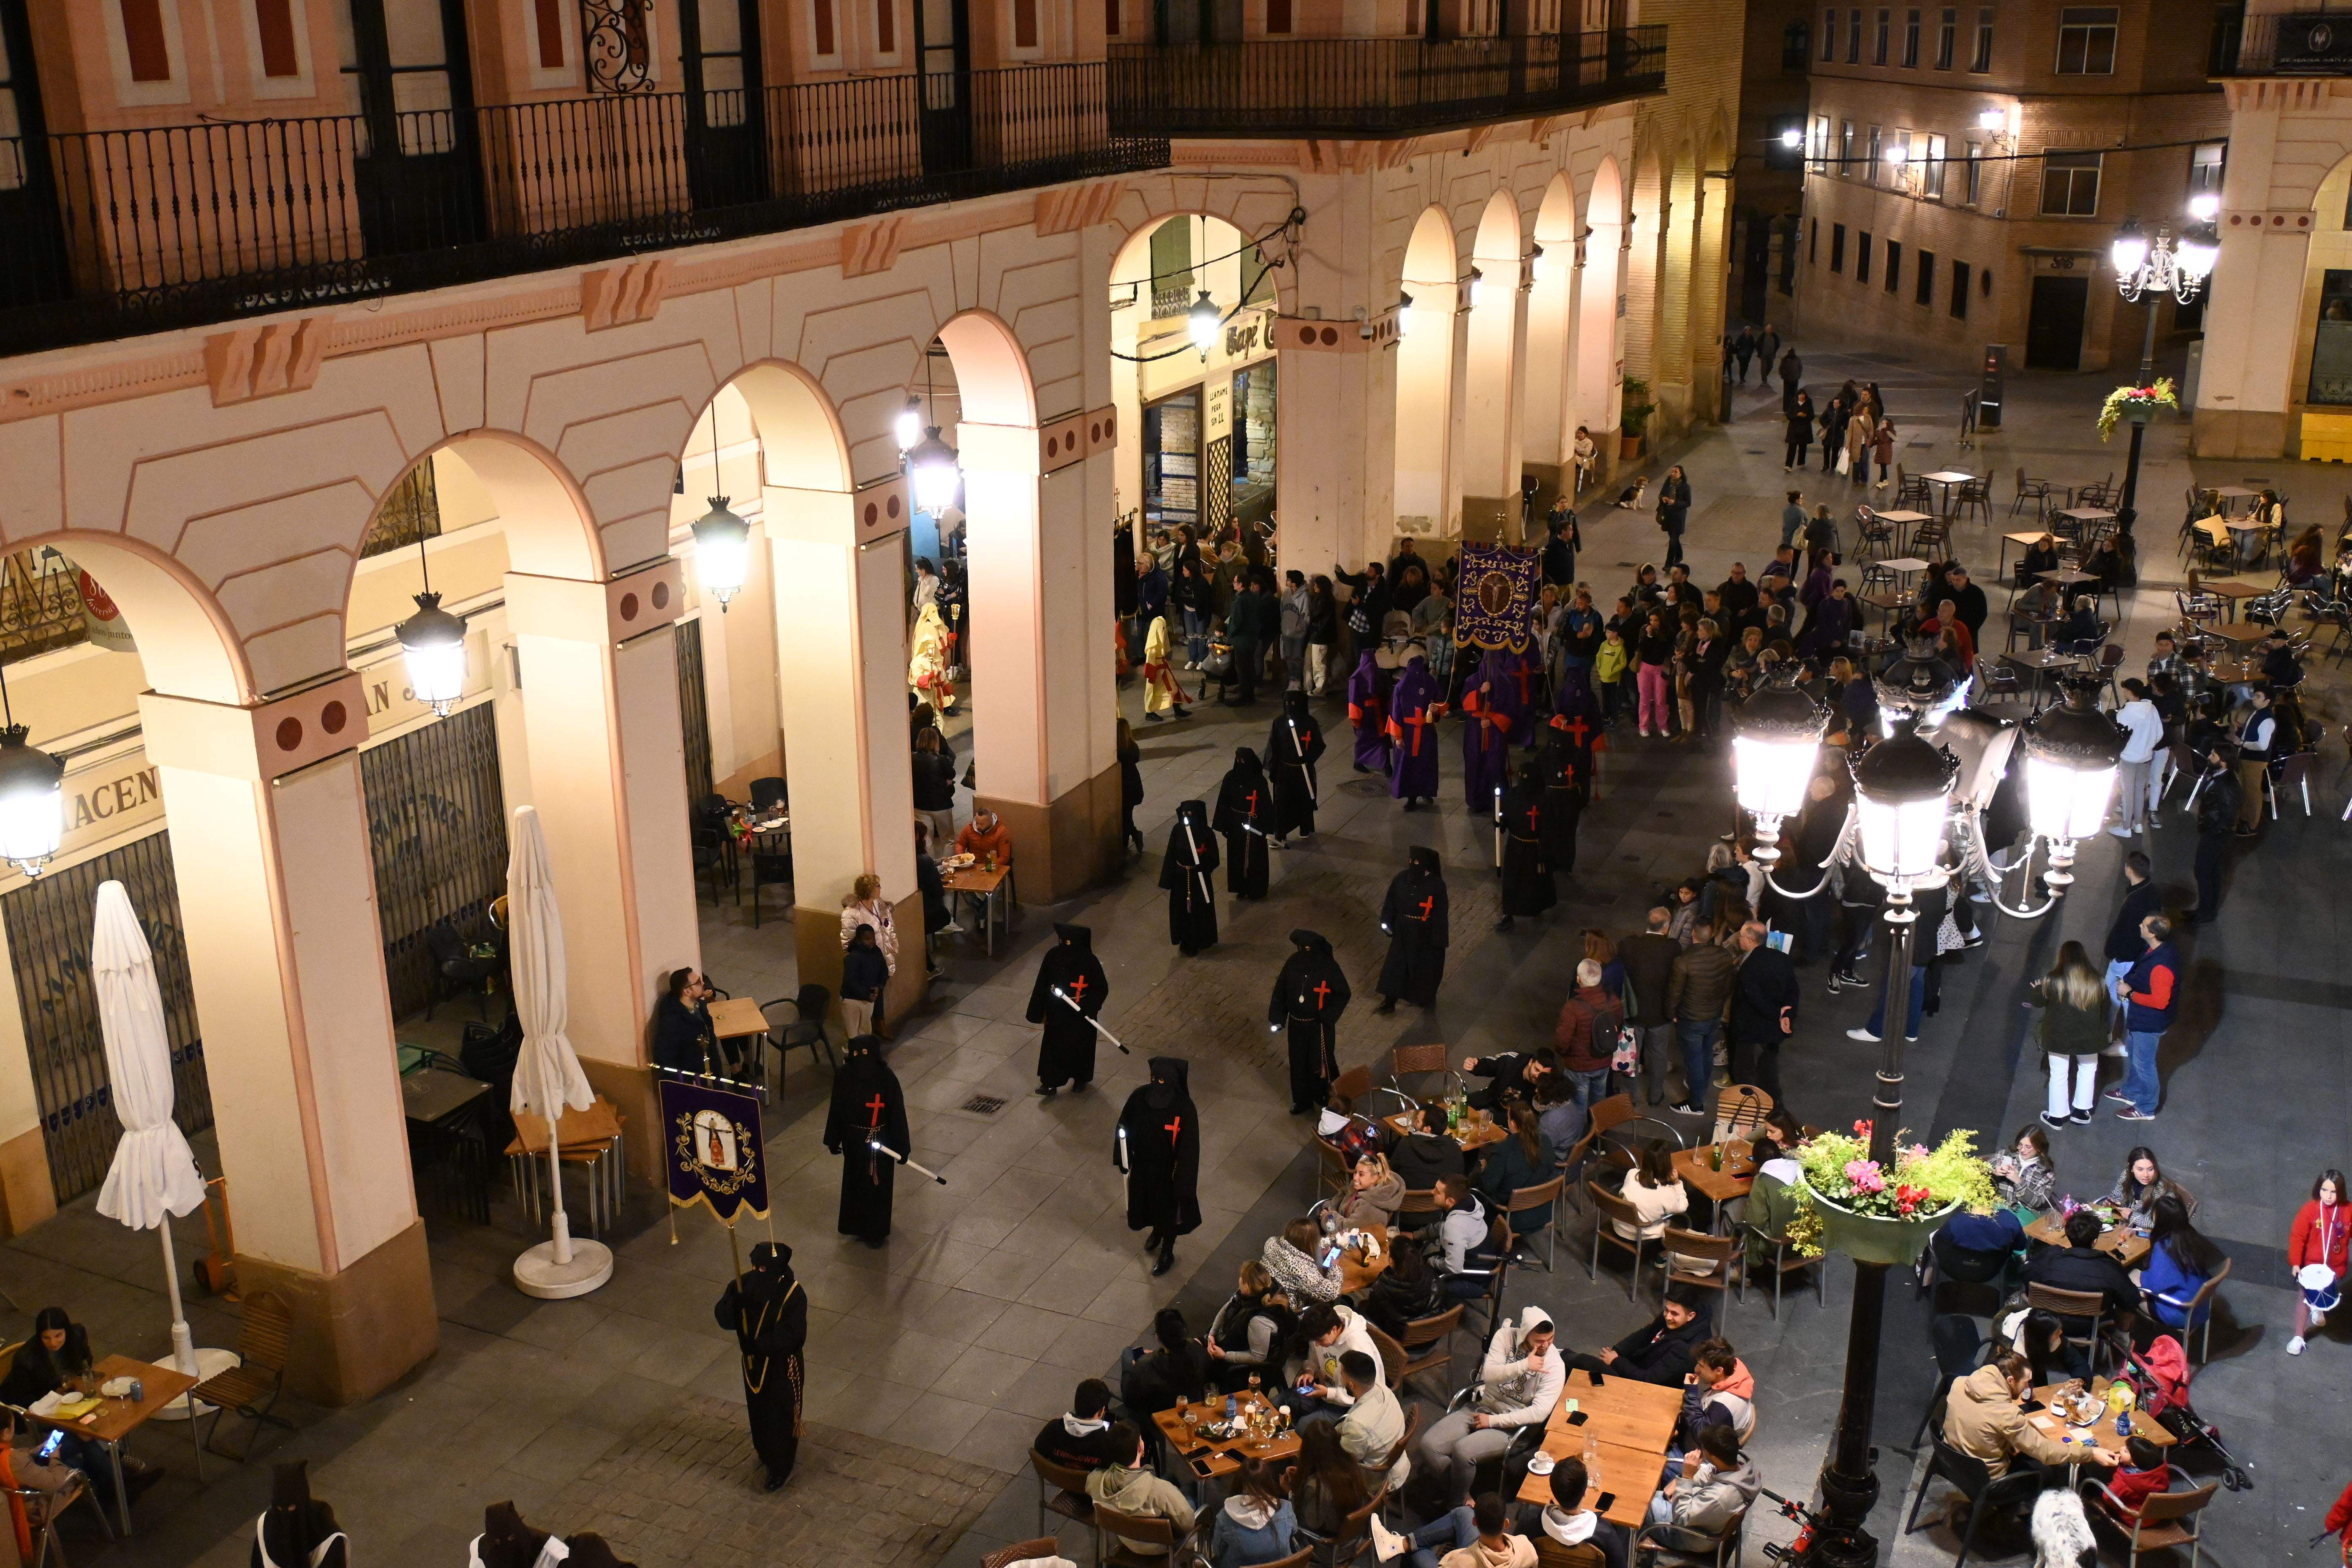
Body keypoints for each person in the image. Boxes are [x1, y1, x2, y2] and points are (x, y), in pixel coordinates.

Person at [1412, 1308, 1564, 1505]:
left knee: (1463, 1451)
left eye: (1550, 1339)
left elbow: (1539, 1413)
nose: (1546, 1345)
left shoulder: (1554, 1366)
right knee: (1429, 1445)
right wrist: (1525, 1365)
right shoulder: (1505, 1336)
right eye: (1539, 1341)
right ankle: (1464, 1496)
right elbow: (1489, 1375)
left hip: (1510, 1425)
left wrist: (1493, 1421)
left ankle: (1455, 1506)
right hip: (1482, 1407)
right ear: (1525, 1335)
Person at [0, 1309, 134, 1515]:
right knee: (83, 1437)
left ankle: (115, 1484)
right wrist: (55, 1394)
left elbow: (85, 1362)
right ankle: (121, 1481)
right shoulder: (27, 1360)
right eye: (46, 1337)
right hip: (44, 1412)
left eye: (58, 1335)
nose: (53, 1343)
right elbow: (26, 1402)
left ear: (66, 1332)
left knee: (85, 1438)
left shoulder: (76, 1337)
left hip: (69, 1405)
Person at [713, 1241, 809, 1492]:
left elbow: (793, 1334)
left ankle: (781, 1466)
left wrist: (760, 1345)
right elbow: (723, 1318)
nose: (757, 1272)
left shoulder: (793, 1294)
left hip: (780, 1366)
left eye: (763, 1268)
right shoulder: (743, 1284)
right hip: (753, 1364)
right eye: (754, 1266)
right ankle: (764, 1451)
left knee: (779, 1415)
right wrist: (735, 1304)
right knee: (758, 1410)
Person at [1944, 1350, 2121, 1478]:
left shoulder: (1960, 1383)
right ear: (2010, 1381)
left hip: (1953, 1462)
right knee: (2052, 1471)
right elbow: (2047, 1453)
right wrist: (2092, 1453)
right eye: (2027, 1383)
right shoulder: (2007, 1415)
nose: (2028, 1389)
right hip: (1985, 1478)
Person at [1118, 1056, 1202, 1276]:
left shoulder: (1184, 1107)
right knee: (1146, 1204)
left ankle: (1168, 1251)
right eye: (1154, 1079)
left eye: (1162, 1081)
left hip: (1168, 1173)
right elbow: (1124, 1125)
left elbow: (1190, 1148)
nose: (1157, 1085)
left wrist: (1183, 1178)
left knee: (1168, 1212)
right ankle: (1156, 1230)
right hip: (1143, 1166)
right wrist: (1123, 1158)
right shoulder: (1139, 1097)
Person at [824, 1034, 908, 1245]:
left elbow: (897, 1113)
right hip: (856, 1143)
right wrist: (834, 1139)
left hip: (879, 1142)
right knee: (857, 1184)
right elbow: (837, 1108)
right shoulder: (845, 1076)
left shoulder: (886, 1078)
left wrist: (901, 1147)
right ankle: (857, 1225)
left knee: (877, 1186)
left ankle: (876, 1231)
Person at [2028, 940, 2111, 1129]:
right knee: (2088, 1070)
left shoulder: (2053, 979)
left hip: (2059, 1037)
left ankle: (2057, 1116)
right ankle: (2081, 1112)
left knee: (2059, 1074)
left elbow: (2037, 1001)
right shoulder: (2097, 980)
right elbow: (2105, 1008)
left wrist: (2037, 988)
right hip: (2090, 1037)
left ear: (2062, 957)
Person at [1086, 1421, 1197, 1557]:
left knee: (1169, 1477)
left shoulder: (1095, 1480)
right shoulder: (1162, 1491)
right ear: (1140, 1448)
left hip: (1125, 1537)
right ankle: (1195, 1544)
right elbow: (1188, 1524)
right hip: (1159, 1547)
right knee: (1189, 1492)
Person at [1562, 1285, 1713, 1384]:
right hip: (1636, 1365)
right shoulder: (1676, 1319)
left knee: (1584, 1362)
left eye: (1674, 1314)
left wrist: (1616, 1362)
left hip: (1644, 1386)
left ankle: (1561, 1357)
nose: (1667, 1317)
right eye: (1666, 1310)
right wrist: (1619, 1351)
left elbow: (1648, 1380)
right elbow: (1647, 1333)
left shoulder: (1685, 1350)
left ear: (1691, 1316)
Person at [1269, 928, 1350, 1114]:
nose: (1304, 953)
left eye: (1308, 949)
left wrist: (1327, 1016)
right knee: (1298, 1063)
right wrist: (1278, 1018)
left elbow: (1343, 994)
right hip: (1297, 1024)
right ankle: (1302, 1101)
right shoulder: (1293, 963)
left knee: (1320, 1063)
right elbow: (1281, 990)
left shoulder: (1329, 967)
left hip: (1319, 1026)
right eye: (1301, 948)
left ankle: (1328, 1098)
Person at [2024, 1208, 2137, 1335]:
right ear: (2095, 1241)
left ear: (2068, 1236)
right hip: (2090, 1328)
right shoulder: (2109, 1268)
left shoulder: (2048, 1259)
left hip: (2049, 1323)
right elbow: (2132, 1299)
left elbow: (2025, 1275)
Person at [1027, 922, 1108, 1097]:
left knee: (1081, 1047)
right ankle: (1050, 1083)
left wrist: (1088, 1007)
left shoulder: (1090, 962)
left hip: (1082, 1015)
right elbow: (1042, 982)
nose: (1063, 946)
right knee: (1053, 1047)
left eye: (1068, 942)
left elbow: (1101, 988)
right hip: (1057, 1012)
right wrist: (1039, 1009)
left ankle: (1080, 1078)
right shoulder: (1053, 956)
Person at [1649, 1424, 1759, 1547]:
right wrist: (1678, 1485)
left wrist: (1686, 1477)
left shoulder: (1720, 1497)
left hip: (1690, 1536)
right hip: (1699, 1514)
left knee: (1642, 1503)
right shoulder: (1737, 1465)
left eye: (1704, 1450)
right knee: (1653, 1493)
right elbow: (1709, 1472)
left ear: (1715, 1458)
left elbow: (1681, 1518)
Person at [1667, 918, 1735, 1114]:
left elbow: (1675, 993)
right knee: (1706, 1055)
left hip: (1691, 1019)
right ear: (1712, 934)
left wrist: (1671, 1014)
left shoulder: (1684, 961)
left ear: (1693, 935)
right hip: (1714, 1015)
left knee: (1694, 1060)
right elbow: (1729, 986)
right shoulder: (1724, 955)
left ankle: (1696, 1104)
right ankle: (1701, 1088)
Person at [2115, 913, 2177, 1122]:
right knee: (2134, 1053)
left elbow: (2160, 1002)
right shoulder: (2158, 950)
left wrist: (2129, 993)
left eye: (2144, 924)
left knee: (2144, 1065)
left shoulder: (2161, 966)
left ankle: (2146, 1108)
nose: (2140, 925)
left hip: (2149, 1024)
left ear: (2152, 933)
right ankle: (2131, 1092)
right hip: (2141, 1019)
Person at [1517, 1457, 1631, 1568]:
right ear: (1585, 1491)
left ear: (1553, 1491)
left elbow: (1517, 1557)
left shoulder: (1530, 1523)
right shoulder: (1606, 1534)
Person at [1726, 921, 1797, 1098]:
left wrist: (1776, 1014)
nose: (1739, 939)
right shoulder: (1782, 958)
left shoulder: (1749, 968)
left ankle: (1748, 1109)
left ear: (1750, 940)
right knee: (1769, 1072)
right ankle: (1775, 1109)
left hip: (1750, 1029)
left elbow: (1754, 997)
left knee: (1745, 1073)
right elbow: (1793, 989)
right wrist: (1787, 1014)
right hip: (1774, 1031)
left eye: (1741, 936)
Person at [1374, 847, 1449, 1012]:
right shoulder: (1401, 879)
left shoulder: (1437, 886)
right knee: (1396, 966)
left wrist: (1438, 938)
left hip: (1424, 933)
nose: (1412, 866)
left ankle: (1423, 997)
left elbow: (1440, 913)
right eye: (1411, 862)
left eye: (1416, 863)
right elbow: (1391, 903)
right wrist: (1387, 924)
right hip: (1403, 930)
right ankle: (1390, 1000)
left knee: (1424, 967)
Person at [1618, 907, 1680, 1105]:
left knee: (1632, 1057)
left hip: (1634, 1014)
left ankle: (1631, 1098)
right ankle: (1655, 1096)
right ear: (1667, 926)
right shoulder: (1672, 948)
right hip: (1660, 1015)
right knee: (1659, 1056)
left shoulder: (1629, 945)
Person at [2140, 1194, 2223, 1334]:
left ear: (2162, 1220)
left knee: (2129, 1280)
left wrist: (2143, 1274)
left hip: (2179, 1313)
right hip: (2200, 1309)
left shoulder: (2165, 1248)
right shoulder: (2194, 1239)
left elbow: (2154, 1286)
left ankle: (2125, 1336)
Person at [2288, 1168, 2349, 1356]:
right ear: (2318, 1189)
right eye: (2324, 1190)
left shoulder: (2348, 1211)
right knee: (2304, 1298)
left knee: (2325, 1294)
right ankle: (2299, 1336)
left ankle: (2318, 1310)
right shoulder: (2310, 1210)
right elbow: (2298, 1237)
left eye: (2333, 1192)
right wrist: (2296, 1262)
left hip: (2334, 1267)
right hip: (2310, 1266)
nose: (2328, 1196)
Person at [1332, 1351, 1410, 1494]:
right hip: (1397, 1462)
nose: (1340, 1376)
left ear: (1351, 1384)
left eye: (1342, 1373)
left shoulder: (1358, 1425)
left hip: (1374, 1478)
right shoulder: (1384, 1389)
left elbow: (1347, 1460)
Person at [1494, 762, 1556, 933]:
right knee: (1512, 880)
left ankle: (1536, 907)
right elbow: (1505, 816)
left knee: (1534, 881)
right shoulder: (1512, 796)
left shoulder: (1544, 800)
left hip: (1535, 847)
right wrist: (1500, 823)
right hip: (1516, 845)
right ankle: (1508, 913)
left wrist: (1546, 847)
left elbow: (1549, 825)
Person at [1122, 1305, 1213, 1416]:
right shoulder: (1197, 1349)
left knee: (1128, 1352)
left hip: (1158, 1416)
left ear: (1158, 1337)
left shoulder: (1145, 1368)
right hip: (1192, 1404)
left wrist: (1135, 1368)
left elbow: (1130, 1400)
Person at [1208, 1456, 1297, 1568]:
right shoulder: (1285, 1508)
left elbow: (1218, 1551)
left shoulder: (1225, 1516)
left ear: (1239, 1482)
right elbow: (1295, 1531)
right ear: (1269, 1481)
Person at [1288, 1421, 1372, 1538]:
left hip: (1328, 1545)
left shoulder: (1315, 1486)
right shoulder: (1351, 1463)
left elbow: (1310, 1524)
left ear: (1308, 1450)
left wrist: (1290, 1494)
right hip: (1355, 1537)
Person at [1553, 959, 1618, 1106]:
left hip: (1579, 1066)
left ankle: (1581, 1129)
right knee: (1598, 1103)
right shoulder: (1613, 1001)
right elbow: (1617, 1026)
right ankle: (1598, 1128)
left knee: (1578, 1106)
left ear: (1578, 979)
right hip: (1604, 1061)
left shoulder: (1573, 1008)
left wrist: (1566, 1054)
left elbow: (1562, 1042)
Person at [1213, 746, 1275, 898]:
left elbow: (1266, 804)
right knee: (1237, 857)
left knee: (1255, 858)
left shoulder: (1259, 781)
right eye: (1238, 760)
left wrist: (1266, 826)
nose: (1240, 763)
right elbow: (1224, 802)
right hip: (1236, 825)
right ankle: (1240, 887)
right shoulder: (1230, 778)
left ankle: (1256, 889)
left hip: (1255, 824)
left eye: (1243, 760)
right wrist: (1224, 824)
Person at [1160, 800, 1220, 956]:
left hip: (1199, 880)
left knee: (1199, 911)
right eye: (1185, 814)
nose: (1187, 818)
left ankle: (1202, 939)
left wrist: (1204, 866)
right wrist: (1168, 878)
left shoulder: (1207, 833)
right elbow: (1171, 854)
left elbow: (1214, 858)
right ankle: (1186, 940)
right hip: (1181, 880)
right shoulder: (1178, 830)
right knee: (1183, 912)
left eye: (1191, 815)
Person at [1387, 647, 1444, 808]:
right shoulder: (1427, 681)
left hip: (1414, 732)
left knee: (1416, 764)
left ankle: (1416, 796)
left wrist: (1398, 736)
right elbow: (1440, 701)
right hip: (1420, 732)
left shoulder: (1402, 686)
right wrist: (1437, 709)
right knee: (1422, 763)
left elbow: (1395, 712)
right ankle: (1421, 793)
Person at [1362, 1231, 1445, 1340]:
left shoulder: (1383, 1287)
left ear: (1392, 1261)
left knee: (1362, 1309)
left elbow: (1375, 1313)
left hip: (1401, 1345)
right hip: (1431, 1338)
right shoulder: (1433, 1277)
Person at [2191, 744, 2240, 921]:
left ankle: (2206, 912)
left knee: (2204, 871)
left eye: (2214, 755)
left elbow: (2228, 816)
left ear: (2224, 762)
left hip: (2216, 836)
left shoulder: (2226, 785)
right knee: (2211, 871)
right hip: (2214, 833)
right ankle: (2206, 909)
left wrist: (2211, 830)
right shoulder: (2220, 777)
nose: (2209, 757)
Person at [1034, 1377, 1122, 1470]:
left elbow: (1039, 1452)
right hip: (1091, 1484)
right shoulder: (1108, 1442)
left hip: (1058, 1480)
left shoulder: (1052, 1429)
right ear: (1102, 1412)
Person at [1615, 1141, 1691, 1246]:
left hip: (1621, 1227)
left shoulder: (1631, 1174)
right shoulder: (1666, 1192)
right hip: (1642, 1235)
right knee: (1683, 1221)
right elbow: (1682, 1208)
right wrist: (1677, 1184)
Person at [2104, 1148, 2193, 1232]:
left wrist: (2132, 1216)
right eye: (2140, 1170)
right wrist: (2113, 1203)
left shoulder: (2162, 1189)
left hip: (2152, 1234)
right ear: (2131, 1168)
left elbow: (2161, 1224)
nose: (2146, 1175)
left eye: (2150, 1169)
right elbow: (2117, 1196)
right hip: (2128, 1227)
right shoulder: (2126, 1175)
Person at [1262, 1215, 1344, 1306]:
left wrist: (1318, 1253)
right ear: (1310, 1242)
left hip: (1264, 1293)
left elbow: (1301, 1249)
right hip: (1287, 1309)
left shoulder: (1272, 1242)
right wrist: (1335, 1268)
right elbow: (1332, 1293)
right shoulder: (1302, 1271)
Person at [651, 966, 718, 1074]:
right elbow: (665, 1059)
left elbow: (712, 1044)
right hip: (691, 1081)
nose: (703, 983)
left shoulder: (699, 1006)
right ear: (687, 992)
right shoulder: (672, 1021)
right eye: (698, 982)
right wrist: (687, 1082)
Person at [1387, 1102, 1468, 1190]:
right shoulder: (1455, 1148)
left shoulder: (1407, 1143)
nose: (1414, 1123)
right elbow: (1459, 1179)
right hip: (1442, 1201)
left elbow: (1392, 1171)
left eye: (1418, 1121)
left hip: (1407, 1200)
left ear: (1427, 1129)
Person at [2234, 686, 2277, 835]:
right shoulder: (2257, 713)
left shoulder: (2267, 721)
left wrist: (2242, 743)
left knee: (2252, 792)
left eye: (2258, 696)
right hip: (2246, 757)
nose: (2254, 698)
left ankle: (2251, 824)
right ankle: (2243, 817)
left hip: (2255, 761)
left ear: (2267, 701)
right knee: (2245, 788)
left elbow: (2262, 746)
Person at [838, 922, 889, 1040]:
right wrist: (866, 995)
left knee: (866, 1032)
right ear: (859, 941)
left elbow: (883, 971)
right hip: (852, 1000)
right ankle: (850, 1057)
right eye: (867, 939)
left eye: (873, 938)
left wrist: (879, 987)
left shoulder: (876, 952)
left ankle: (865, 1056)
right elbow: (850, 982)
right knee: (851, 1035)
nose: (871, 942)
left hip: (869, 999)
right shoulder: (853, 958)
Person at [1348, 645, 1394, 774]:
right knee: (1381, 739)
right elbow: (1387, 693)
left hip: (1366, 715)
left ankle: (1362, 762)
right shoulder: (1380, 674)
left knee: (1365, 740)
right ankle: (1386, 766)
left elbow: (1353, 700)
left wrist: (1355, 719)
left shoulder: (1356, 678)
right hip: (1378, 713)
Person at [1990, 1125, 2057, 1212]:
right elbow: (1982, 1171)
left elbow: (2036, 1202)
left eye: (2028, 1147)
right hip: (1995, 1206)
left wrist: (2018, 1181)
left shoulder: (2046, 1174)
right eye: (2020, 1145)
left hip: (2021, 1214)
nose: (2022, 1150)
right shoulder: (2004, 1155)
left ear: (2039, 1148)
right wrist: (1994, 1171)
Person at [1140, 608, 1191, 720]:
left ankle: (1177, 708)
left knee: (1174, 688)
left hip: (1163, 669)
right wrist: (1151, 673)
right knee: (1152, 692)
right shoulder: (1152, 647)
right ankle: (1150, 712)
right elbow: (1150, 661)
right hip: (1156, 672)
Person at [912, 727, 958, 850]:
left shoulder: (912, 759)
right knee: (948, 839)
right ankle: (948, 867)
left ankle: (931, 866)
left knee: (926, 839)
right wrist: (946, 782)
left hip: (920, 805)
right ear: (935, 742)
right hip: (941, 804)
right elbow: (952, 774)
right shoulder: (941, 759)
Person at [1656, 465, 1693, 569]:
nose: (1673, 474)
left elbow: (1688, 503)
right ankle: (1680, 555)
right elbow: (1661, 494)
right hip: (1668, 515)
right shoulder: (1668, 483)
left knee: (1673, 541)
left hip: (1678, 518)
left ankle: (1668, 565)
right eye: (1672, 472)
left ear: (1681, 474)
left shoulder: (1686, 487)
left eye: (1676, 472)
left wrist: (1675, 503)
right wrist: (1662, 498)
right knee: (1674, 539)